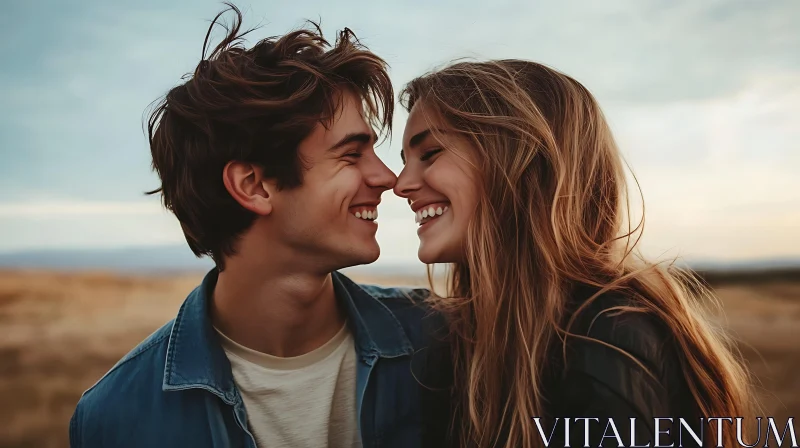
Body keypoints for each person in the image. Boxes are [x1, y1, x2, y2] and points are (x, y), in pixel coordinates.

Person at [69, 5, 448, 448]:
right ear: (253, 186)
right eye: (351, 154)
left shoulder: (442, 342)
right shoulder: (117, 417)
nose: (388, 178)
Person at [394, 59, 760, 448]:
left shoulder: (607, 339)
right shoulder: (463, 336)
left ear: (520, 159)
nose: (401, 185)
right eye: (405, 162)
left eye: (430, 153)